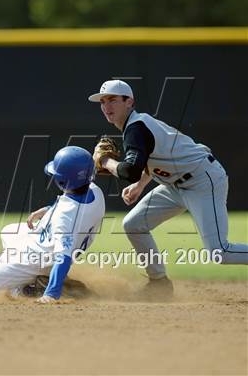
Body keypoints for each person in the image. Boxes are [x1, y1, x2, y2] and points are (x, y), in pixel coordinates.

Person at [88, 79, 248, 298]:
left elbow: (129, 171)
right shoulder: (136, 125)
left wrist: (105, 161)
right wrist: (141, 185)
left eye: (113, 100)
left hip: (202, 180)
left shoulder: (136, 128)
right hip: (174, 185)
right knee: (133, 224)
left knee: (219, 251)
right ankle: (159, 283)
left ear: (129, 102)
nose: (107, 106)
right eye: (103, 102)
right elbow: (154, 158)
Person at [0, 146, 105, 303]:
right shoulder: (96, 192)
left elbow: (63, 257)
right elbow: (73, 210)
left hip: (36, 258)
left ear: (63, 181)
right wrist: (48, 210)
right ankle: (21, 274)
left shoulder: (64, 218)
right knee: (8, 231)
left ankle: (27, 289)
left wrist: (51, 295)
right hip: (44, 240)